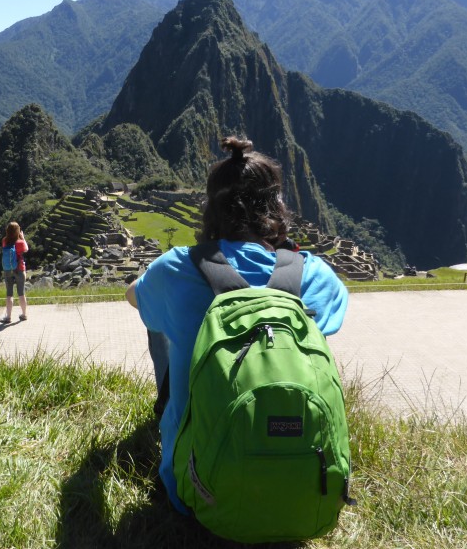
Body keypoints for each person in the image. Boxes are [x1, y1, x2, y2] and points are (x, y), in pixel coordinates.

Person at [125, 136, 348, 513]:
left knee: (159, 318)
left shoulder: (179, 269)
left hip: (194, 493)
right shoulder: (315, 276)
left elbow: (133, 294)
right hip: (306, 499)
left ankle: (171, 414)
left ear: (211, 208)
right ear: (278, 205)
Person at [1, 221, 29, 324]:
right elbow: (26, 249)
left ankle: (8, 317)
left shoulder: (4, 241)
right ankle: (24, 314)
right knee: (21, 293)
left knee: (9, 294)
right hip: (19, 269)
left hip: (8, 270)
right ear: (18, 231)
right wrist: (23, 237)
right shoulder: (20, 242)